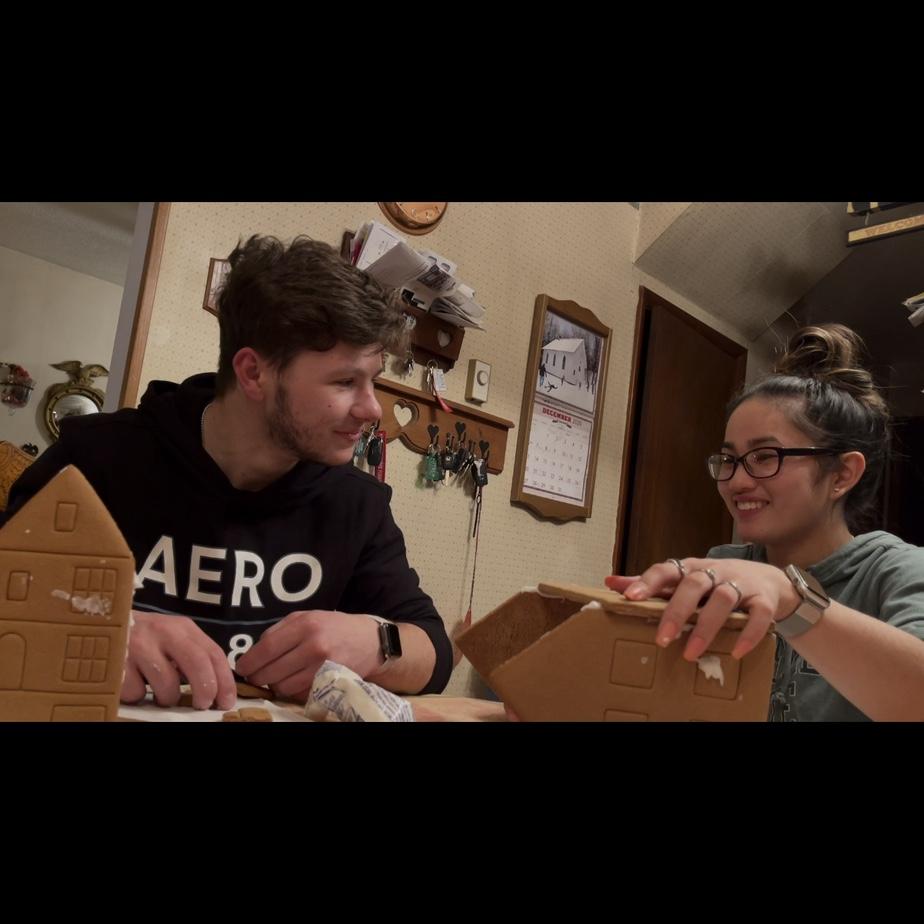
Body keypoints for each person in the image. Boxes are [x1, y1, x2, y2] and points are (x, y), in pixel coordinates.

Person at [4, 235, 453, 710]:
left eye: (373, 381)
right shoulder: (98, 455)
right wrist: (106, 628)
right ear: (254, 373)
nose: (371, 409)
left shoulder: (356, 504)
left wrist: (379, 642)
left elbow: (435, 653)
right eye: (345, 381)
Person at [606, 324, 924, 721]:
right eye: (729, 459)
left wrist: (791, 599)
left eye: (765, 456)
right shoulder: (723, 563)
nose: (737, 481)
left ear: (842, 474)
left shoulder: (895, 571)